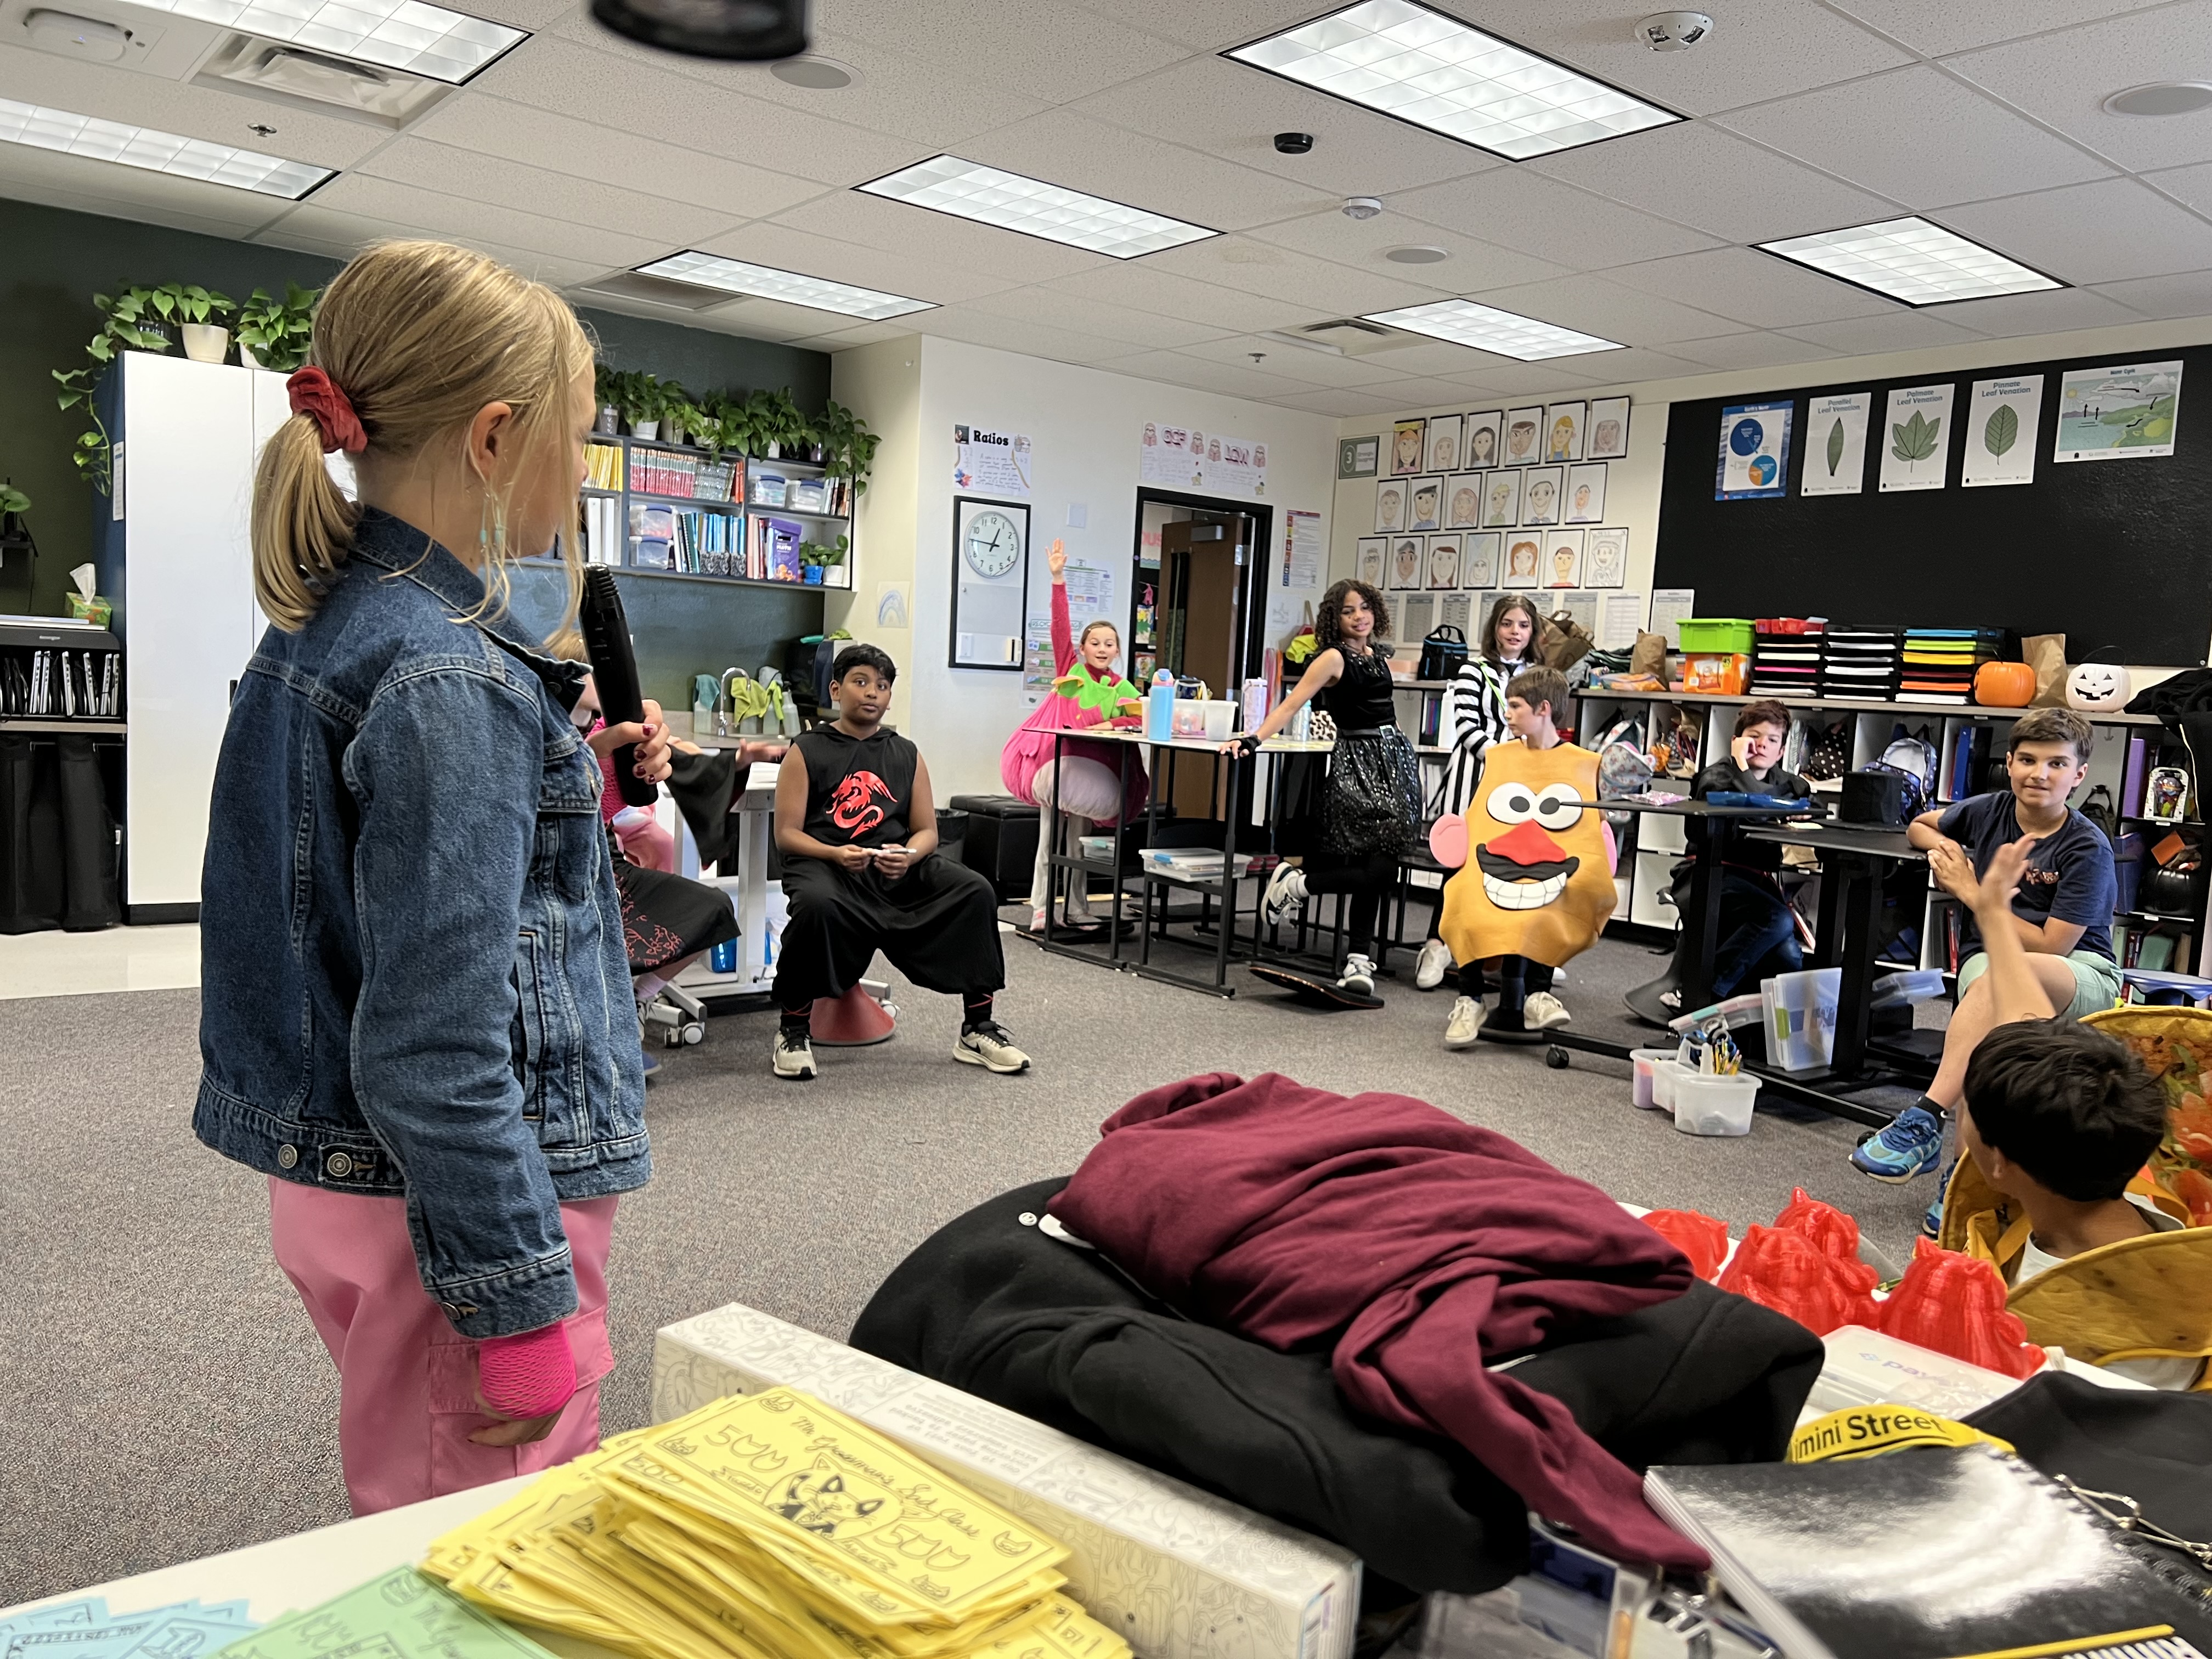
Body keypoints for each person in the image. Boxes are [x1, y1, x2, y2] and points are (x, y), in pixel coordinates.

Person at [196, 240, 668, 1514]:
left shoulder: (345, 622)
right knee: (483, 1543)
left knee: (423, 1497)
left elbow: (387, 894)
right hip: (461, 1209)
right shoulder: (448, 674)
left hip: (367, 1183)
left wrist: (567, 772)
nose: (584, 469)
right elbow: (437, 1043)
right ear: (497, 437)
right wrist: (516, 1301)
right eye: (581, 436)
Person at [1946, 836, 2198, 1387]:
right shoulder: (2128, 1193)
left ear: (1998, 1164)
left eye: (1965, 1107)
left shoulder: (2051, 1324)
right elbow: (2024, 1018)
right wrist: (1994, 914)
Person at [1852, 708, 2121, 1212]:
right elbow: (1919, 826)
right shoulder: (1990, 810)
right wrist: (1950, 851)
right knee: (1989, 1041)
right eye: (2028, 760)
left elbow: (2050, 946)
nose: (2040, 774)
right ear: (2010, 763)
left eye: (2057, 764)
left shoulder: (2088, 847)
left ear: (2079, 775)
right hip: (1988, 961)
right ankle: (1961, 1188)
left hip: (2077, 971)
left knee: (2000, 982)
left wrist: (1970, 889)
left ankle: (1928, 1112)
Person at [774, 644, 1029, 1080]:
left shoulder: (906, 753)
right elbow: (787, 834)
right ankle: (793, 1030)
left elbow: (927, 832)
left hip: (894, 870)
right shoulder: (807, 750)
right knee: (817, 905)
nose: (872, 692)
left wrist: (909, 856)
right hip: (827, 865)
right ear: (835, 690)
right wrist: (836, 853)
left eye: (882, 685)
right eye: (860, 682)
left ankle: (977, 1029)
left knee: (975, 891)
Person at [1231, 579, 1421, 996]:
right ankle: (1305, 893)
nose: (1359, 617)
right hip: (1358, 765)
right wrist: (1253, 739)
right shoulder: (1332, 658)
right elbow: (1291, 703)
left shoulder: (1377, 655)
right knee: (1374, 866)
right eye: (1349, 611)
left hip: (1393, 761)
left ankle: (1352, 952)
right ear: (1335, 619)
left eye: (1365, 607)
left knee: (1383, 863)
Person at [1440, 665, 1609, 1046]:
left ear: (1543, 709)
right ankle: (1470, 999)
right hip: (1501, 860)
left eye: (1515, 706)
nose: (1508, 714)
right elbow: (1484, 817)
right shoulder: (1500, 757)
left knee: (1554, 895)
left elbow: (1586, 829)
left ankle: (1537, 995)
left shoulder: (1583, 762)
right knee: (1464, 892)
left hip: (1553, 863)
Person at [1001, 539, 1146, 935]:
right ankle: (1042, 908)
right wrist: (1058, 578)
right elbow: (1060, 626)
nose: (1102, 648)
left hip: (1091, 773)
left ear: (1118, 651)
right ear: (1081, 649)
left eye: (1109, 644)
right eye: (1094, 643)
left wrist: (1108, 726)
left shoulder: (1121, 686)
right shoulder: (1071, 669)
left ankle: (1078, 908)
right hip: (1058, 764)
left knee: (1079, 843)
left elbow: (1139, 717)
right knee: (1049, 839)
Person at [1415, 594, 1538, 990]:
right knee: (1460, 868)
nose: (1515, 632)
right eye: (1507, 623)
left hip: (1520, 786)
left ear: (1532, 631)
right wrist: (1503, 757)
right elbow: (1467, 727)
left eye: (1523, 625)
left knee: (1511, 870)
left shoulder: (1537, 675)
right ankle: (1437, 945)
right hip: (1474, 780)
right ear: (1494, 628)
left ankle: (1513, 954)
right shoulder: (1474, 670)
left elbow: (1543, 726)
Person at [1666, 701, 1810, 1007]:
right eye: (1754, 736)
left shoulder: (1788, 783)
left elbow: (1807, 801)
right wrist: (1742, 768)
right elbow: (1756, 807)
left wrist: (1803, 812)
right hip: (1709, 875)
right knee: (1776, 919)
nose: (1762, 744)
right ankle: (1699, 994)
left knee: (1788, 957)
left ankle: (1754, 1019)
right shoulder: (1716, 777)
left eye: (1772, 740)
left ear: (1781, 752)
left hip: (1757, 883)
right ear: (1736, 741)